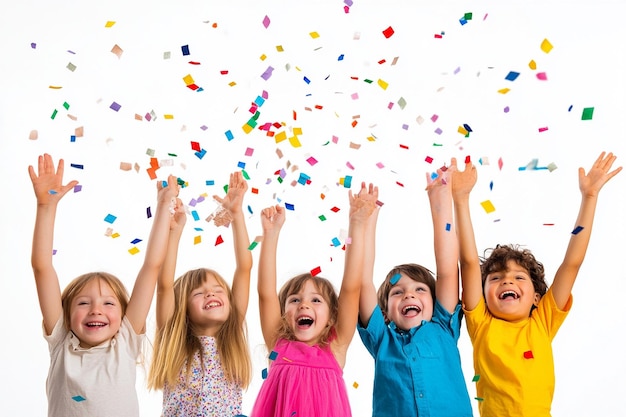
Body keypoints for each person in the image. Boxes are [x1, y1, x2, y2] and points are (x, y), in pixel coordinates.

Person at [451, 151, 622, 416]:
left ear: (536, 298)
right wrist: (460, 200)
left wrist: (589, 197)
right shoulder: (481, 323)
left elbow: (571, 264)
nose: (507, 280)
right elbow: (469, 263)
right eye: (495, 278)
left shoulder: (542, 322)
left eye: (519, 277)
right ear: (482, 295)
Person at [28, 153, 179, 417]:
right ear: (66, 313)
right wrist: (45, 207)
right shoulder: (62, 340)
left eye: (108, 303)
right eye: (84, 303)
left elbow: (151, 267)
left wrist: (164, 207)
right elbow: (42, 268)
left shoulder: (125, 340)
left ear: (123, 315)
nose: (95, 310)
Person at [250, 182, 377, 417]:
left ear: (331, 317)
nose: (304, 305)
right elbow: (265, 293)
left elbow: (351, 287)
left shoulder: (335, 347)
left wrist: (356, 224)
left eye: (316, 300)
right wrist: (271, 234)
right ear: (283, 311)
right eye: (295, 300)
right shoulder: (277, 344)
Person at [357, 163, 474, 417]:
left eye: (420, 289)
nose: (409, 294)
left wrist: (440, 197)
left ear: (434, 303)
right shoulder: (381, 339)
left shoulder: (443, 327)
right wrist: (366, 220)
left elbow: (447, 270)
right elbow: (363, 282)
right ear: (385, 312)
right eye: (397, 292)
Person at [148, 171, 253, 417]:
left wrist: (236, 217)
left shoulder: (232, 339)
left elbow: (244, 268)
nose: (210, 295)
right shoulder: (173, 343)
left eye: (218, 290)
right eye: (199, 293)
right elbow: (164, 284)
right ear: (181, 307)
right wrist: (174, 232)